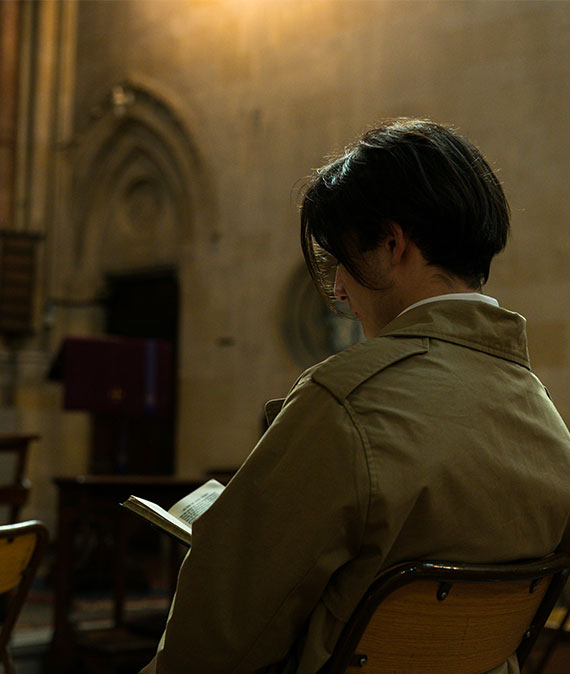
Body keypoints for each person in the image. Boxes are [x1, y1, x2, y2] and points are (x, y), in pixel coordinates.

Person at [140, 119, 570, 674]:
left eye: (340, 261)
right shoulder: (545, 419)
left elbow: (210, 644)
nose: (340, 289)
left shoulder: (347, 399)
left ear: (392, 245)